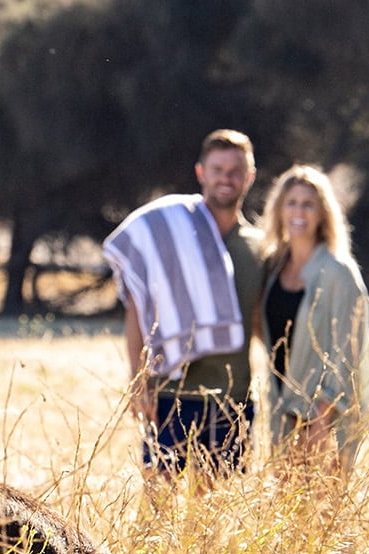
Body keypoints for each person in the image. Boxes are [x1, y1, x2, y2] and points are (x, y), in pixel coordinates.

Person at [102, 130, 266, 491]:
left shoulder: (259, 249)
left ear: (249, 176)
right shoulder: (168, 236)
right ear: (201, 173)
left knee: (215, 511)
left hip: (232, 399)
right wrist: (138, 381)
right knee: (157, 504)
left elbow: (262, 323)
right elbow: (138, 310)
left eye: (235, 170)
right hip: (170, 394)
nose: (226, 178)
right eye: (218, 169)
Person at [257, 164, 369, 473]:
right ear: (279, 211)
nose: (299, 212)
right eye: (291, 203)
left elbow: (348, 352)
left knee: (322, 510)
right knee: (286, 510)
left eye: (308, 204)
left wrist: (321, 420)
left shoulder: (338, 272)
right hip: (283, 410)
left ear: (323, 213)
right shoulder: (273, 268)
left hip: (323, 417)